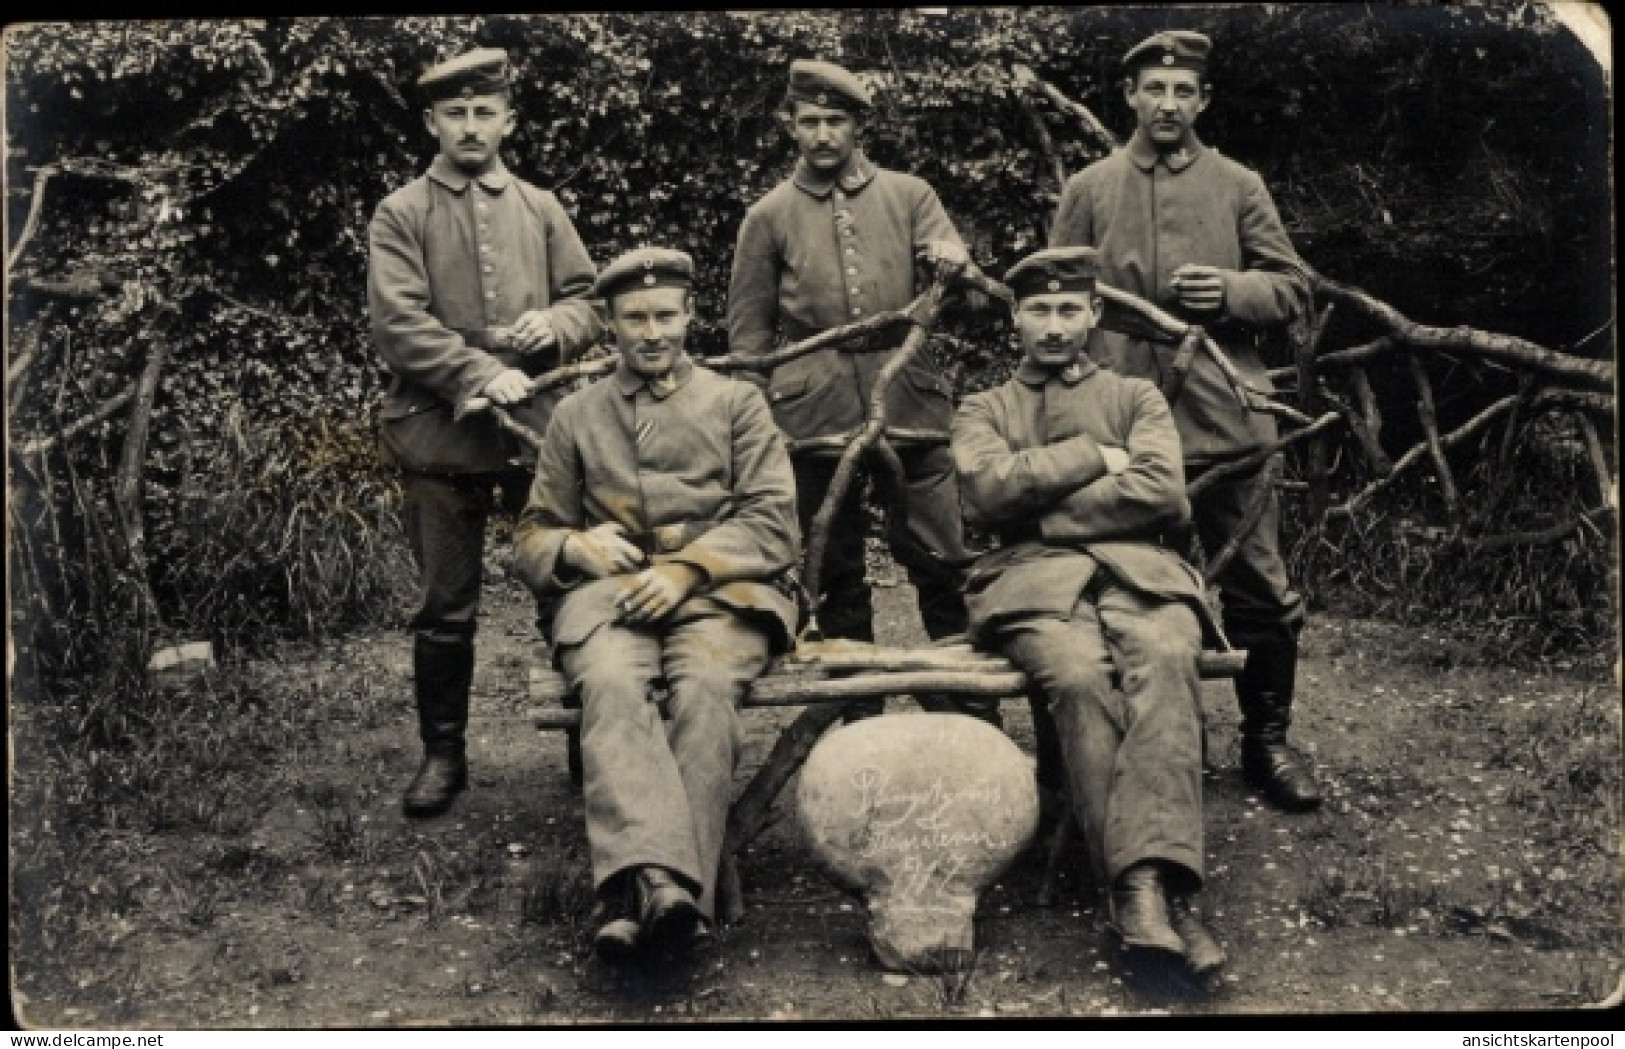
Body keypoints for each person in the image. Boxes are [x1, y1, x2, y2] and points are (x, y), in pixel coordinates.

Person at [1049, 30, 1321, 812]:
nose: (1166, 104)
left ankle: (1265, 739)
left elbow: (1290, 287)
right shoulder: (1090, 187)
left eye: (1182, 91)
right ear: (1129, 94)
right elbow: (1050, 299)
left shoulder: (1237, 184)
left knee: (1258, 582)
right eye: (1152, 88)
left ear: (1202, 101)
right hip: (1114, 415)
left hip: (1225, 412)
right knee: (1116, 576)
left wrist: (1233, 291)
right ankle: (1131, 741)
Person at [513, 247, 801, 962]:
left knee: (704, 689)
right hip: (608, 599)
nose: (651, 332)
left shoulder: (737, 403)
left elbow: (773, 520)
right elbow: (531, 533)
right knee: (610, 683)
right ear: (608, 324)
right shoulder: (576, 415)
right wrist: (575, 548)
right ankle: (666, 892)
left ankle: (636, 893)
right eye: (634, 318)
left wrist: (689, 568)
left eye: (665, 315)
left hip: (723, 594)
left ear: (690, 316)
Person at [952, 246, 1224, 975]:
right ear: (1013, 318)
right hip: (1030, 583)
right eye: (1036, 309)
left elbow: (1163, 493)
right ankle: (1143, 887)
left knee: (1166, 657)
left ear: (1093, 314)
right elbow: (982, 491)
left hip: (1140, 570)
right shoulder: (985, 406)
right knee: (1075, 675)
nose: (1052, 324)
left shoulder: (1138, 397)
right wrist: (1092, 457)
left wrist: (1039, 509)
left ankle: (1155, 884)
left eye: (1068, 308)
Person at [368, 47, 602, 819]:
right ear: (432, 121)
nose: (471, 127)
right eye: (455, 114)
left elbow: (589, 299)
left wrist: (557, 324)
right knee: (445, 606)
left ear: (508, 120)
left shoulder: (540, 207)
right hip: (440, 436)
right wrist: (477, 372)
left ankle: (589, 741)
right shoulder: (402, 211)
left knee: (564, 584)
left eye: (484, 113)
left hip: (537, 431)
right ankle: (443, 753)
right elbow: (398, 326)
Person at [727, 58, 995, 724]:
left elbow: (951, 263)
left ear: (858, 125)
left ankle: (963, 697)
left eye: (835, 120)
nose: (822, 134)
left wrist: (953, 264)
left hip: (908, 396)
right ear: (790, 125)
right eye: (809, 121)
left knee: (939, 554)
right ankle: (855, 708)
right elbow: (748, 332)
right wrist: (751, 417)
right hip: (811, 409)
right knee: (833, 559)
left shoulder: (909, 194)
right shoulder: (768, 215)